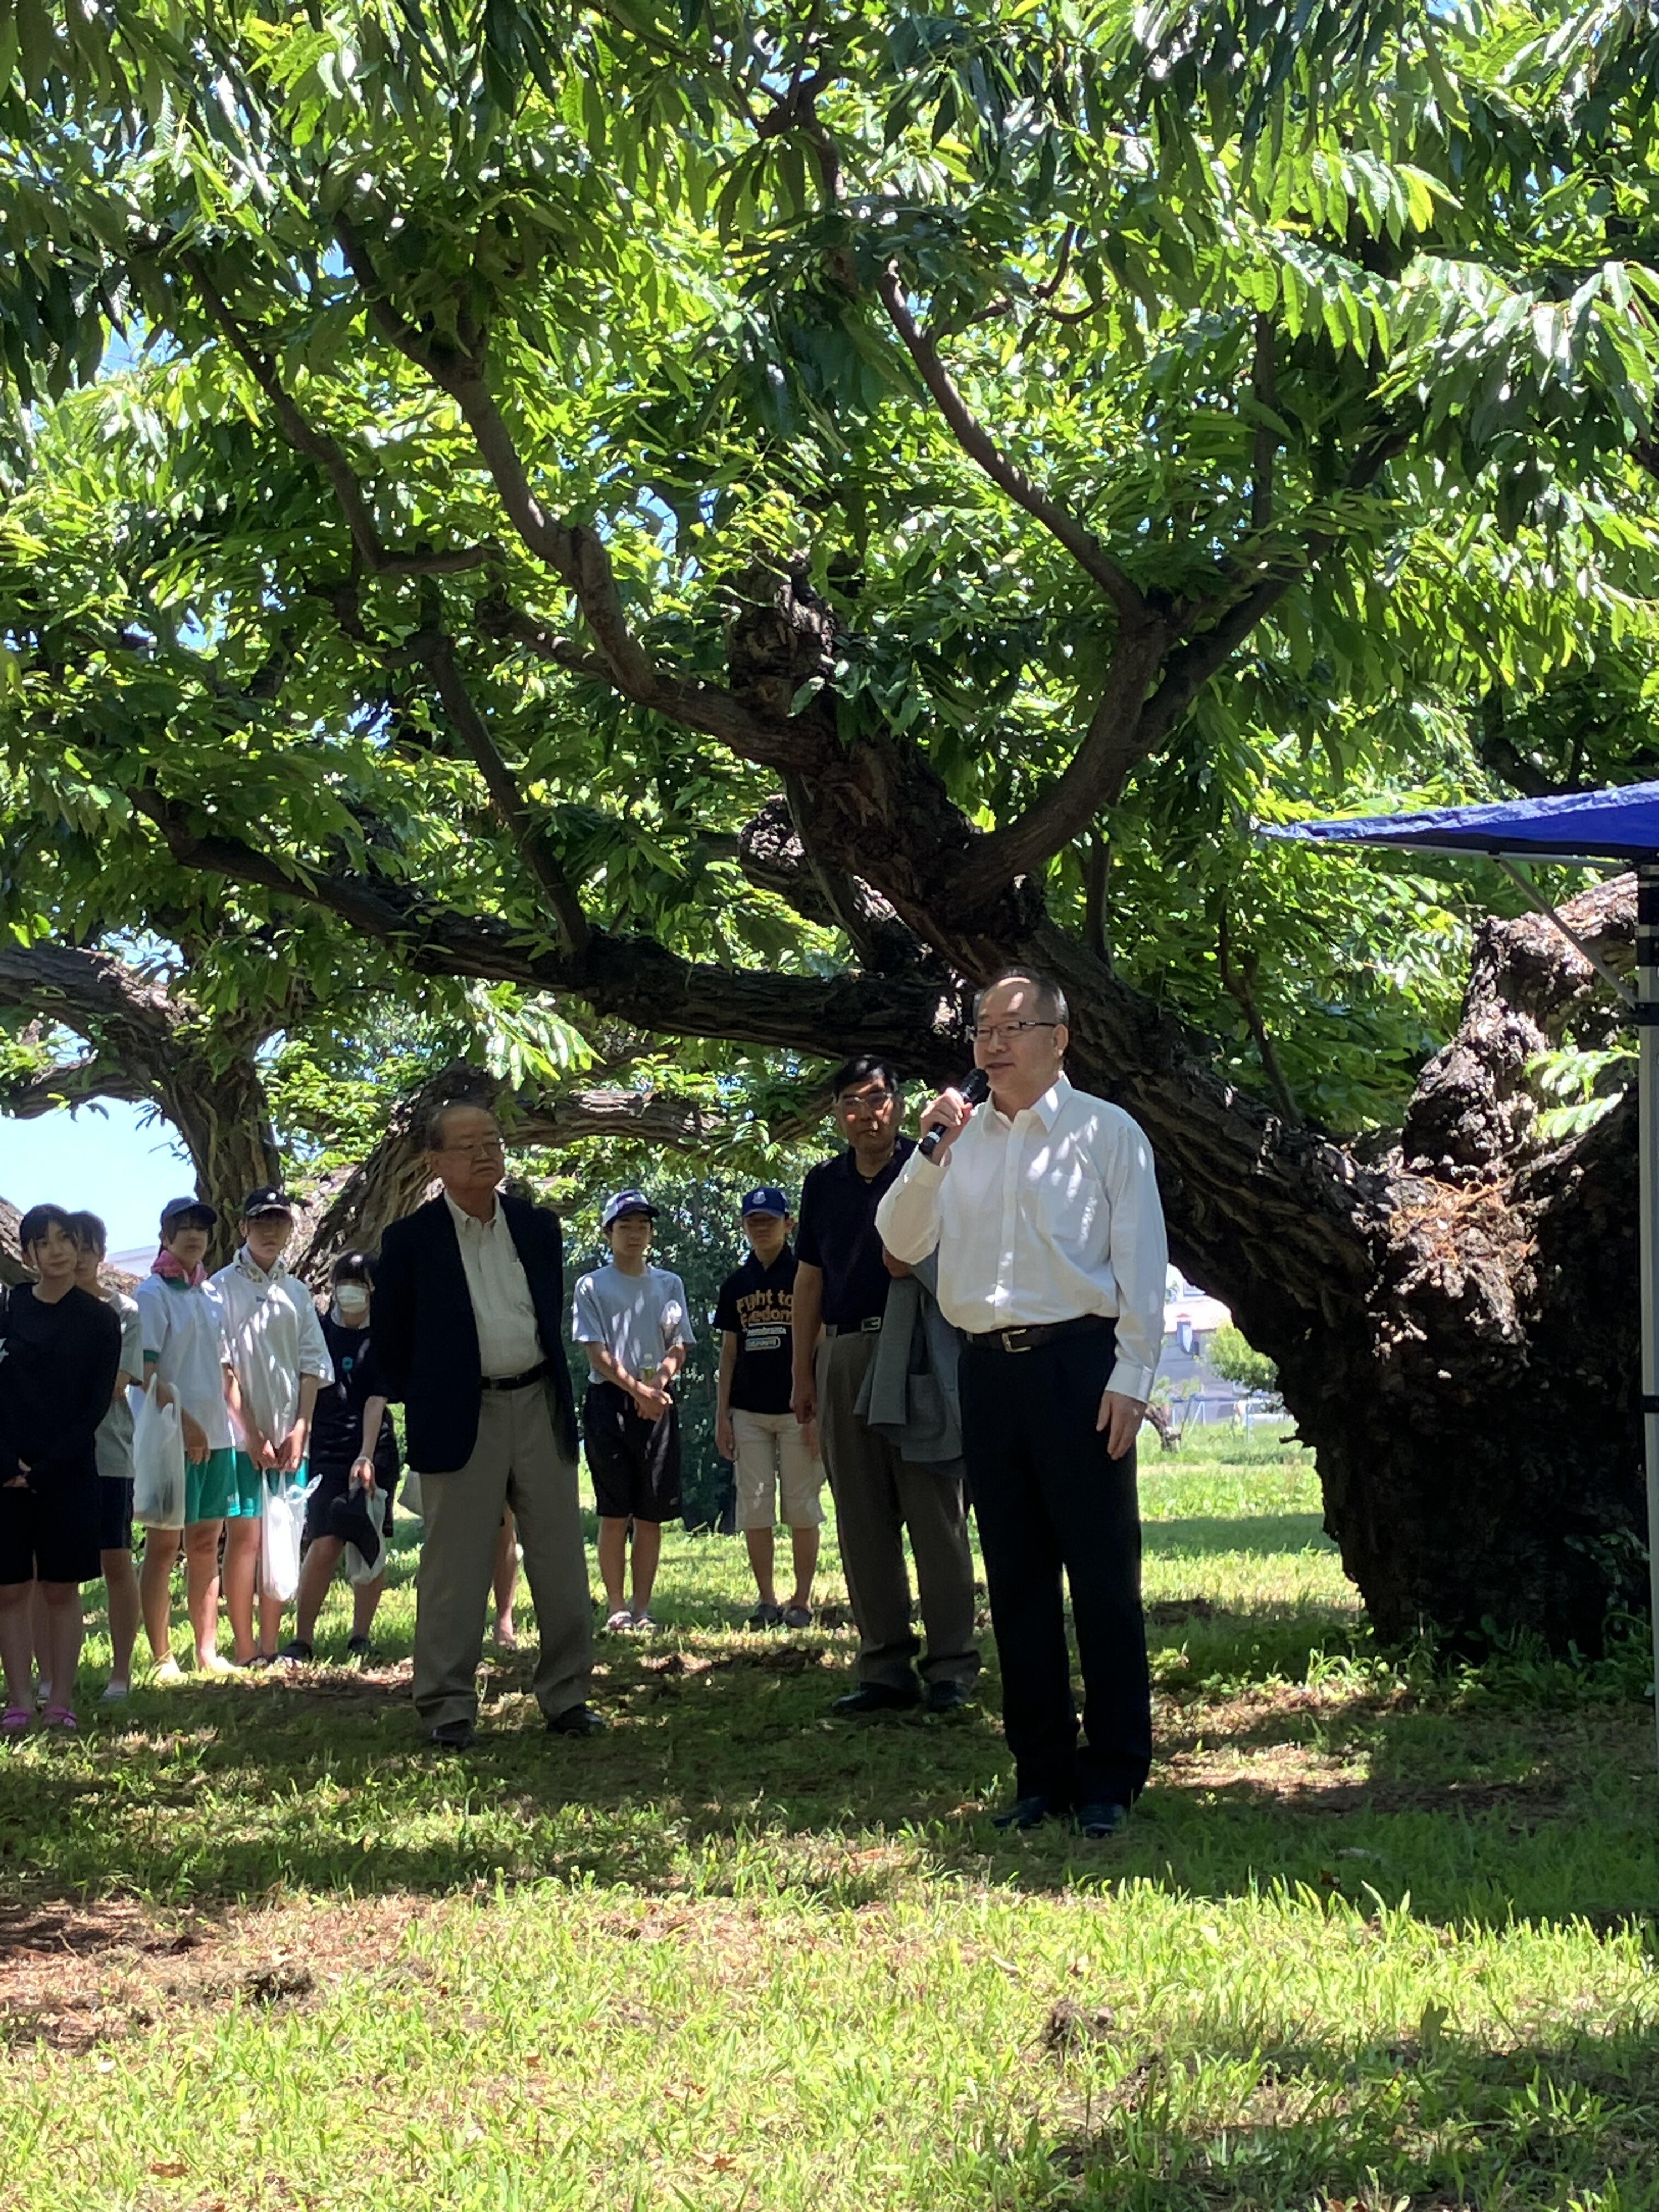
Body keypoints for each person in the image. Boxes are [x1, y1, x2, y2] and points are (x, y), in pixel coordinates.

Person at [876, 968, 1168, 1839]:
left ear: (1059, 1038)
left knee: (1103, 1578)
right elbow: (896, 1242)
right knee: (1016, 1579)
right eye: (980, 1031)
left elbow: (1142, 1265)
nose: (993, 1045)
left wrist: (1132, 1378)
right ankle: (1040, 1773)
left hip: (1080, 1368)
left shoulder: (1106, 1133)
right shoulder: (952, 1142)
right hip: (987, 1372)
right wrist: (929, 1150)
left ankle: (1113, 1774)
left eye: (1013, 1027)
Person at [373, 1101, 601, 1749]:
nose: (485, 1154)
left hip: (538, 1403)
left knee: (560, 1560)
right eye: (468, 1145)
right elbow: (392, 1344)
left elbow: (546, 1318)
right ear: (435, 1162)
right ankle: (447, 1705)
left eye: (494, 1141)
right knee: (455, 1569)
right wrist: (433, 1393)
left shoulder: (537, 1227)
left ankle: (569, 1697)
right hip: (458, 1413)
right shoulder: (410, 1242)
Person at [791, 1057, 979, 1716]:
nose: (865, 1114)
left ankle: (952, 1666)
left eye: (876, 1099)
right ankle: (884, 1667)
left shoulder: (933, 1162)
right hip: (843, 1351)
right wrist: (802, 1374)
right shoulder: (823, 1184)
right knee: (861, 1519)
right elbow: (808, 1281)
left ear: (898, 1104)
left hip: (920, 1346)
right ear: (836, 1113)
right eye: (850, 1102)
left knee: (936, 1511)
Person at [0, 1206, 121, 1733]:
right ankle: (20, 1701)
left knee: (60, 1586)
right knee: (9, 1589)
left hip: (68, 1471)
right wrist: (7, 1462)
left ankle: (61, 1701)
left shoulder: (100, 1319)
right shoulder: (9, 1309)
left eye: (66, 1240)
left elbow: (93, 1406)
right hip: (4, 1471)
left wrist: (48, 1468)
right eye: (44, 1242)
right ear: (26, 1255)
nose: (57, 1251)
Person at [214, 1187, 334, 1666]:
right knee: (244, 1537)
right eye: (260, 1221)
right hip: (238, 1437)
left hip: (289, 1439)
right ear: (243, 1226)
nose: (270, 1230)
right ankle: (245, 1649)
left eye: (279, 1221)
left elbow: (312, 1365)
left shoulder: (297, 1291)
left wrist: (301, 1428)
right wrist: (252, 1431)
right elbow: (223, 1367)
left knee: (284, 1532)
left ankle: (271, 1644)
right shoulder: (220, 1288)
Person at [571, 1192, 693, 1633]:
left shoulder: (668, 1284)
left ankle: (644, 1609)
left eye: (642, 1225)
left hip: (657, 1401)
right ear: (608, 1233)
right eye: (625, 1226)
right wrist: (637, 1390)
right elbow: (596, 1352)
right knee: (614, 1511)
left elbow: (679, 1343)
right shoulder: (591, 1285)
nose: (635, 1233)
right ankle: (616, 1607)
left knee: (650, 1513)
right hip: (611, 1402)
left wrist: (656, 1386)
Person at [135, 1196, 240, 1680]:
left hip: (217, 1438)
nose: (193, 1235)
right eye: (183, 1227)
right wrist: (186, 1423)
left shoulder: (210, 1294)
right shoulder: (153, 1293)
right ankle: (161, 1657)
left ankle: (207, 1650)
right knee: (163, 1547)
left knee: (206, 1542)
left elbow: (222, 1370)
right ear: (165, 1237)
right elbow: (146, 1373)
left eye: (201, 1227)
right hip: (170, 1441)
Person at [280, 1250, 399, 1664]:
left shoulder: (384, 1335)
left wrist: (366, 1456)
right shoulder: (316, 1331)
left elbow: (376, 1401)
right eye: (345, 1281)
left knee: (370, 1541)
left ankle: (361, 1635)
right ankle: (302, 1638)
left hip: (373, 1451)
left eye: (361, 1283)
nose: (352, 1291)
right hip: (326, 1452)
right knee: (325, 1540)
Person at [714, 1186, 823, 1629]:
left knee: (801, 1504)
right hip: (749, 1410)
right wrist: (722, 1415)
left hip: (799, 1410)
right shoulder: (736, 1284)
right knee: (755, 1504)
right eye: (753, 1221)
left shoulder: (806, 1275)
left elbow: (820, 1341)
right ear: (744, 1226)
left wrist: (816, 1408)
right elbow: (728, 1352)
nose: (761, 1228)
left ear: (788, 1224)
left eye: (770, 1220)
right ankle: (766, 1599)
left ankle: (801, 1599)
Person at [71, 1212, 145, 1702]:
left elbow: (117, 1385)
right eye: (61, 1246)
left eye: (84, 1247)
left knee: (115, 1559)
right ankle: (55, 1674)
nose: (73, 1258)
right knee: (49, 1573)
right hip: (49, 1460)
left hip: (109, 1454)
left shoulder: (125, 1313)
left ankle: (121, 1673)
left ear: (101, 1253)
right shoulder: (30, 1310)